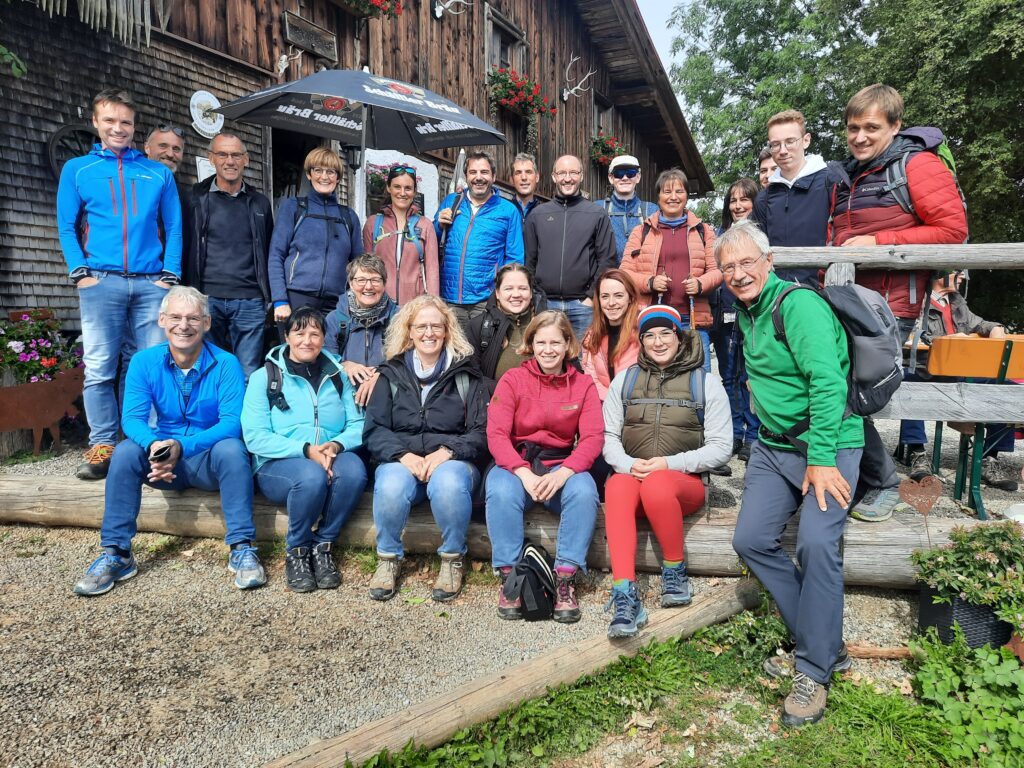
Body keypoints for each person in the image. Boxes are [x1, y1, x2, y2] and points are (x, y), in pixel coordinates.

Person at [724, 220, 863, 727]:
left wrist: (822, 459)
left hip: (829, 444)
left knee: (816, 543)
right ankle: (823, 640)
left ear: (768, 262)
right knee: (751, 539)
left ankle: (813, 669)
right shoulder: (746, 311)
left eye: (747, 263)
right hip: (774, 447)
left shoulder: (796, 306)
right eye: (728, 267)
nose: (738, 274)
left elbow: (828, 384)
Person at [830, 84, 968, 516]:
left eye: (871, 127)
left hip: (890, 308)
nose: (860, 136)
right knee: (833, 388)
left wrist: (878, 241)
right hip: (849, 302)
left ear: (895, 125)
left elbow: (953, 231)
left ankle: (884, 483)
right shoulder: (853, 174)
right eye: (854, 128)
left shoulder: (917, 166)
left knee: (852, 395)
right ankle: (864, 480)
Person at [72, 287, 265, 596]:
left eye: (193, 318)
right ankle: (116, 553)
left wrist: (181, 447)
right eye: (175, 317)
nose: (183, 325)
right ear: (162, 320)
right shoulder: (143, 361)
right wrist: (156, 447)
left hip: (207, 460)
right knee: (123, 452)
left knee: (232, 449)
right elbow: (132, 419)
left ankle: (242, 547)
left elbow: (231, 423)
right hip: (160, 462)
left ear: (207, 323)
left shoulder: (226, 363)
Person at [57, 88, 182, 481]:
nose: (118, 128)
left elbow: (174, 227)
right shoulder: (78, 169)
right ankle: (102, 444)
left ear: (134, 126)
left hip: (150, 284)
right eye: (109, 121)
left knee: (150, 366)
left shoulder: (156, 173)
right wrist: (81, 272)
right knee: (98, 367)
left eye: (125, 122)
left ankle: (143, 443)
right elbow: (66, 225)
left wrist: (169, 276)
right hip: (102, 282)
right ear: (96, 123)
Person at [602, 305, 732, 638]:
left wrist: (669, 464)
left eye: (665, 334)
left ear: (679, 336)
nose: (658, 342)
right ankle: (624, 593)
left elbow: (721, 448)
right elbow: (609, 437)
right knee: (616, 486)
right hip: (636, 474)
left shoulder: (706, 383)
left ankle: (674, 571)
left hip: (682, 485)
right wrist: (629, 464)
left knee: (658, 484)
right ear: (641, 341)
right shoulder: (626, 380)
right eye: (649, 336)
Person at [362, 295, 490, 602]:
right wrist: (403, 456)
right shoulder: (390, 374)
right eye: (421, 326)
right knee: (391, 483)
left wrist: (446, 452)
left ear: (447, 330)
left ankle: (451, 560)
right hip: (402, 459)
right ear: (409, 331)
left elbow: (481, 431)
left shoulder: (465, 375)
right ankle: (388, 559)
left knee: (448, 483)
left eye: (436, 325)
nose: (429, 333)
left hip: (453, 460)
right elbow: (374, 429)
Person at [485, 311, 604, 624]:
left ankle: (565, 579)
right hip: (519, 462)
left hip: (559, 463)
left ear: (568, 345)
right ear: (531, 344)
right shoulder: (513, 380)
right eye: (541, 342)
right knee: (498, 488)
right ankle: (511, 578)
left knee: (584, 489)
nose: (548, 349)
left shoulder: (582, 385)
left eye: (555, 342)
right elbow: (496, 434)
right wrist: (522, 472)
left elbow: (592, 438)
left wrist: (565, 472)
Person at [241, 307, 368, 593]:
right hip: (279, 463)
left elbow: (358, 424)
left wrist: (336, 445)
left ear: (324, 338)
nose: (307, 340)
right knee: (311, 477)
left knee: (355, 472)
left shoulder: (337, 375)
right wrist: (306, 449)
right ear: (286, 337)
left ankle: (323, 545)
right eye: (299, 333)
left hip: (331, 451)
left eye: (315, 333)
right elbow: (255, 436)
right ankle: (297, 549)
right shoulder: (266, 377)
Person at [913, 270, 1017, 490]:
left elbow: (979, 323)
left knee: (1005, 388)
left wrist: (995, 328)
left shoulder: (957, 302)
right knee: (910, 386)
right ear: (939, 273)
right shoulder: (916, 300)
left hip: (960, 369)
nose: (962, 278)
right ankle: (917, 454)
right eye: (958, 273)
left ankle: (989, 460)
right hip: (927, 368)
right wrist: (947, 341)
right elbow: (911, 335)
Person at [185, 132, 274, 379]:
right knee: (208, 370)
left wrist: (268, 296)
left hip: (249, 300)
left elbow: (268, 249)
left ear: (246, 159)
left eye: (236, 155)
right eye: (222, 154)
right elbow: (185, 244)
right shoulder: (195, 198)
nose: (230, 161)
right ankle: (215, 419)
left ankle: (241, 420)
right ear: (211, 158)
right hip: (207, 298)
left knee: (247, 373)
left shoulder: (260, 204)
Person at [619, 168, 720, 373]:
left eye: (679, 191)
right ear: (658, 196)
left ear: (686, 196)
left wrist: (701, 284)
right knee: (655, 378)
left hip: (692, 321)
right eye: (667, 192)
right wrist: (649, 282)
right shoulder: (642, 231)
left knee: (700, 379)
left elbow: (718, 270)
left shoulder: (704, 231)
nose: (673, 197)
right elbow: (624, 273)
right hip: (653, 319)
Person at [525, 154, 617, 340]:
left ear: (581, 176)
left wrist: (591, 297)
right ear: (553, 176)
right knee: (548, 359)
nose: (568, 178)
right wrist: (536, 296)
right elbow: (529, 260)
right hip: (546, 304)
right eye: (562, 173)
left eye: (573, 172)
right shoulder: (538, 215)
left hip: (582, 306)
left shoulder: (596, 214)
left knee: (584, 362)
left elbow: (607, 259)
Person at [268, 146, 362, 326]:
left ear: (338, 177)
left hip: (336, 302)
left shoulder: (349, 216)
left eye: (330, 171)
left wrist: (353, 299)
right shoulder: (294, 208)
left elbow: (358, 264)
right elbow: (276, 255)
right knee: (297, 353)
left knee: (332, 353)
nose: (324, 177)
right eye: (318, 170)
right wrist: (280, 300)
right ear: (309, 174)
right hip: (296, 297)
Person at [435, 151, 524, 329]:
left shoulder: (507, 210)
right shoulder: (451, 202)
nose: (478, 178)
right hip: (449, 299)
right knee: (454, 354)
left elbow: (515, 258)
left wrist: (502, 294)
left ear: (493, 176)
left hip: (486, 301)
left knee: (485, 354)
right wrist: (438, 225)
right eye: (473, 172)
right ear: (466, 176)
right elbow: (431, 243)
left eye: (484, 172)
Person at [710, 177, 762, 469]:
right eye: (733, 200)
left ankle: (754, 434)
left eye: (744, 199)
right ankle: (732, 432)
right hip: (725, 313)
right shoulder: (720, 234)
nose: (738, 205)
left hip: (753, 312)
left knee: (750, 376)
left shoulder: (760, 235)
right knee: (728, 375)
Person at [750, 110, 828, 287]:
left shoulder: (830, 182)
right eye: (775, 144)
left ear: (806, 140)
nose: (783, 151)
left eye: (790, 142)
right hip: (779, 293)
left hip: (825, 291)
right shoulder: (764, 199)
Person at [324, 255, 399, 408]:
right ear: (351, 284)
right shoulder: (334, 319)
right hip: (345, 397)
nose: (368, 287)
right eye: (361, 280)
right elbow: (324, 360)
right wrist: (343, 365)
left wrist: (382, 374)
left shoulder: (399, 318)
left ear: (385, 283)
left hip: (388, 396)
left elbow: (406, 360)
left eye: (375, 280)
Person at [362, 164, 439, 305]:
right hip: (380, 307)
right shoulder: (373, 224)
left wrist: (434, 306)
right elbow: (366, 269)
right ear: (388, 188)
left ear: (415, 191)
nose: (402, 193)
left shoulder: (425, 225)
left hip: (414, 308)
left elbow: (432, 271)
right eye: (397, 187)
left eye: (408, 188)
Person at [466, 263, 546, 381]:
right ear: (497, 293)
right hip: (495, 397)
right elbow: (472, 377)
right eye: (508, 288)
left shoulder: (547, 324)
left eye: (522, 288)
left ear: (530, 292)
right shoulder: (477, 326)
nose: (516, 294)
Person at [580, 268, 641, 400]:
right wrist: (612, 404)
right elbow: (592, 380)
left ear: (630, 298)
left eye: (618, 295)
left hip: (637, 408)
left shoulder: (642, 334)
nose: (611, 303)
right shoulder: (592, 336)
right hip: (606, 405)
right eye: (605, 296)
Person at [144, 123, 192, 263]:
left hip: (169, 277)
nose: (170, 154)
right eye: (163, 146)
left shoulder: (186, 197)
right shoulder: (128, 182)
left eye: (176, 149)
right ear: (147, 147)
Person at [603, 154, 658, 262]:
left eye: (630, 173)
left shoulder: (651, 210)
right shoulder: (599, 208)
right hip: (608, 276)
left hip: (641, 276)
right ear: (611, 178)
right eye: (619, 173)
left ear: (638, 177)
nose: (624, 178)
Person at [510, 152, 540, 225]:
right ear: (511, 180)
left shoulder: (545, 213)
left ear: (537, 177)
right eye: (518, 173)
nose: (524, 177)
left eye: (528, 172)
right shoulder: (504, 210)